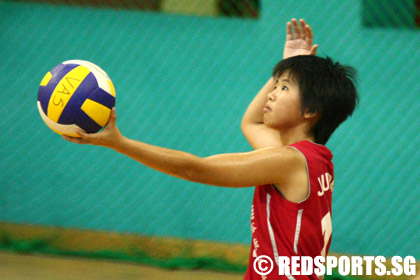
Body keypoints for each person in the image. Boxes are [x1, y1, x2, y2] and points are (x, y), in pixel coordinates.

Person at [64, 19, 358, 280]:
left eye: (283, 89)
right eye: (276, 85)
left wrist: (119, 142)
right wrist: (290, 66)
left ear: (311, 109)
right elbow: (253, 123)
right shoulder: (313, 159)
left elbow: (196, 168)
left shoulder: (288, 161)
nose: (271, 92)